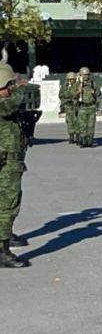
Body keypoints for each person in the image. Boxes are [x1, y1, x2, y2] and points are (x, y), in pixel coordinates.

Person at [0, 64, 30, 268]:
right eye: (8, 85)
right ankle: (2, 251)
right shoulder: (3, 104)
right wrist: (20, 88)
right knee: (7, 204)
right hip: (5, 162)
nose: (11, 88)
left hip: (9, 160)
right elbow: (9, 106)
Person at [74, 67, 100, 147]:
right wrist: (78, 92)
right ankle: (84, 141)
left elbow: (98, 93)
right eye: (84, 75)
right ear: (80, 75)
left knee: (91, 125)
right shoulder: (77, 84)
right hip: (82, 107)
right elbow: (72, 95)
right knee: (82, 125)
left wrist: (94, 92)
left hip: (91, 106)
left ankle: (90, 141)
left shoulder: (93, 83)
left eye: (87, 75)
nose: (86, 76)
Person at [59, 72, 78, 144]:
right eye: (70, 79)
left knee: (76, 121)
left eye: (73, 79)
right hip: (68, 106)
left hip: (76, 106)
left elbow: (78, 95)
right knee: (69, 122)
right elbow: (61, 95)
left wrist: (71, 95)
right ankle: (71, 136)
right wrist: (69, 95)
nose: (71, 81)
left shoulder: (77, 85)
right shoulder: (65, 86)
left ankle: (78, 136)